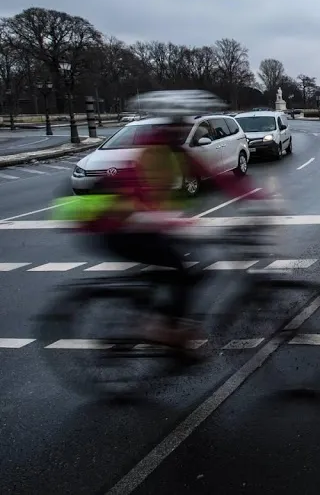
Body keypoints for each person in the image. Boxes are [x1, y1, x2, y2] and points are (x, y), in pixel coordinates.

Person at [75, 93, 266, 359]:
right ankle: (162, 330)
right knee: (179, 269)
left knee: (190, 269)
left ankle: (167, 323)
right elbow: (141, 200)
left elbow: (222, 181)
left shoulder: (177, 150)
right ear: (168, 126)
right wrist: (178, 223)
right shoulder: (153, 152)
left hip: (142, 224)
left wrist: (258, 197)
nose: (184, 128)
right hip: (118, 227)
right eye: (179, 123)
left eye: (185, 123)